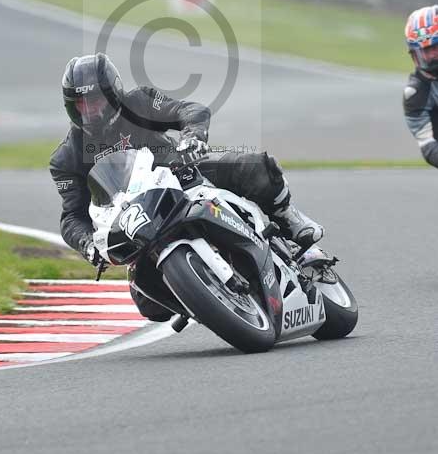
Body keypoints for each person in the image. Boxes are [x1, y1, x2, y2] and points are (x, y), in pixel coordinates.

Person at [50, 53, 324, 320]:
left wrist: (193, 137)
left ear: (113, 93)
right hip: (134, 219)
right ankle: (203, 294)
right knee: (151, 306)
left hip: (181, 175)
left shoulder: (140, 101)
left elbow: (189, 110)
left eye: (95, 100)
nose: (89, 110)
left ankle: (288, 218)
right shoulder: (66, 158)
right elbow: (72, 216)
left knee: (251, 166)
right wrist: (88, 244)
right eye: (80, 104)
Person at [403, 5, 438, 166]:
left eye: (435, 47)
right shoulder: (415, 94)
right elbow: (427, 145)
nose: (432, 56)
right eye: (424, 51)